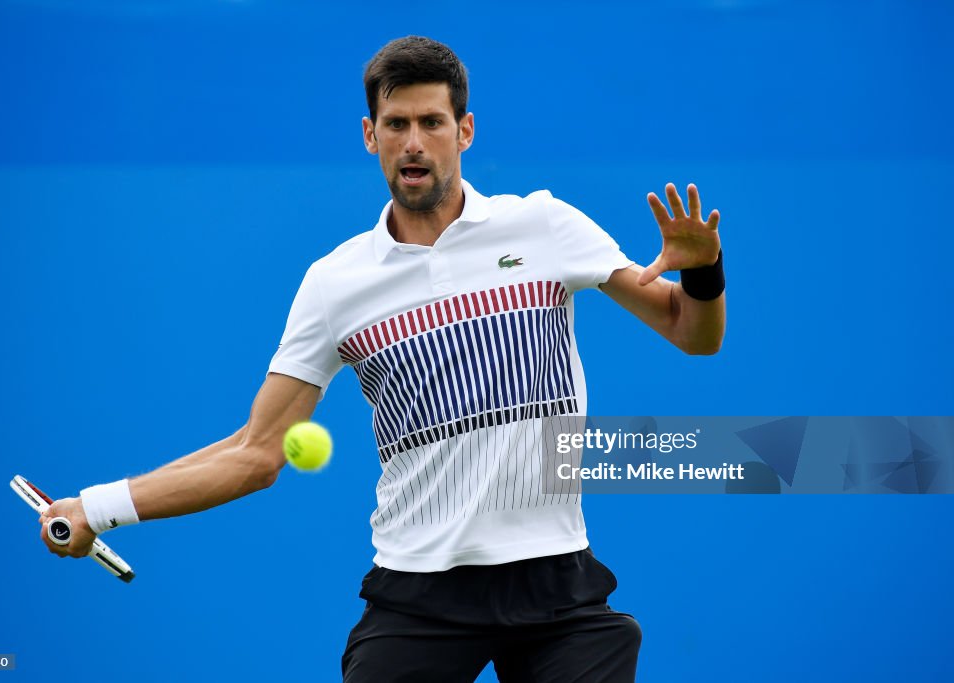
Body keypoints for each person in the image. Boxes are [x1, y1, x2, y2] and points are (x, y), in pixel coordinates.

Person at [39, 36, 725, 682]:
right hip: (419, 594)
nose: (414, 142)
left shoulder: (543, 226)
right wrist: (97, 507)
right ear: (370, 136)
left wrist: (704, 270)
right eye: (396, 124)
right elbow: (255, 451)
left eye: (432, 121)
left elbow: (692, 332)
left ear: (466, 130)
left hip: (556, 587)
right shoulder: (335, 282)